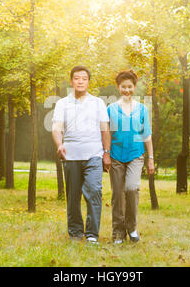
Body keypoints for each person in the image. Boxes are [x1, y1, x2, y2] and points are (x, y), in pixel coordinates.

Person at [52, 65, 111, 244]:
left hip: (94, 155)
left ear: (88, 82)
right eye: (77, 78)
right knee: (73, 195)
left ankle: (92, 234)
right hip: (71, 156)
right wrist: (59, 144)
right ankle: (76, 233)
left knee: (94, 190)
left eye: (84, 78)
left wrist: (106, 153)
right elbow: (56, 127)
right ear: (71, 81)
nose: (80, 81)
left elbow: (105, 129)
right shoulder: (62, 103)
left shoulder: (98, 103)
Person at [107, 69, 155, 244]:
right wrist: (105, 154)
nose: (127, 90)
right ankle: (118, 232)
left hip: (136, 155)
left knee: (132, 188)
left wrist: (151, 158)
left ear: (134, 87)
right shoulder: (111, 109)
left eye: (130, 86)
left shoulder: (142, 109)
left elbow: (147, 135)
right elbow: (107, 134)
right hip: (116, 156)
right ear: (118, 88)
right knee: (117, 194)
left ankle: (132, 228)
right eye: (123, 87)